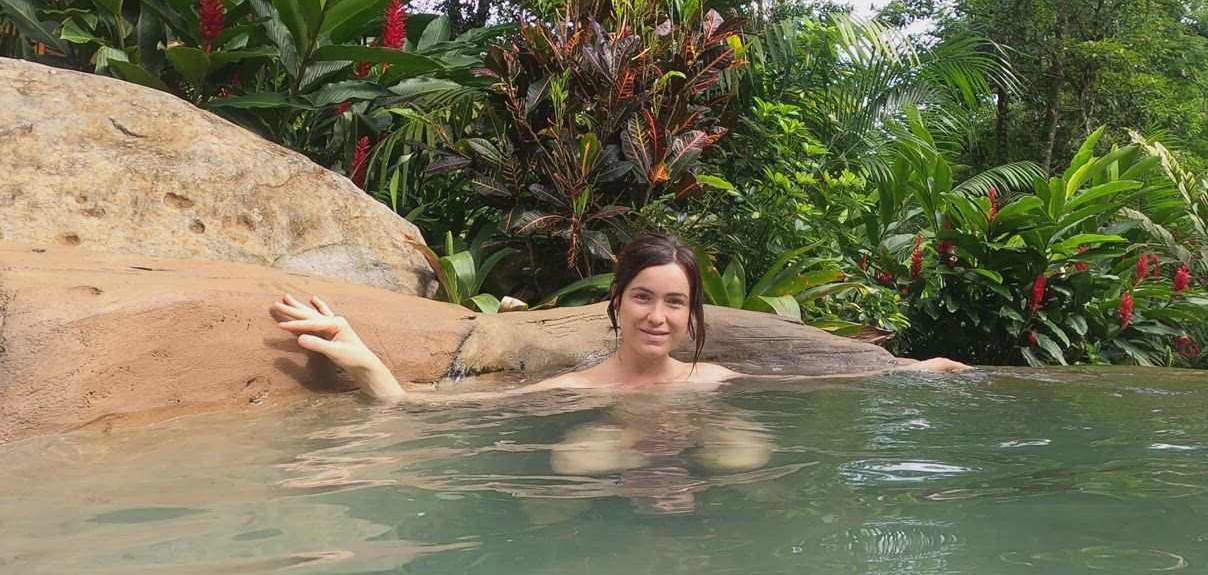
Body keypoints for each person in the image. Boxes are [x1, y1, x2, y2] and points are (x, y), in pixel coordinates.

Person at [270, 233, 970, 400]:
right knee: (585, 458)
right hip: (608, 479)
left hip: (688, 489)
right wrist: (363, 359)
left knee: (744, 452)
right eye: (643, 297)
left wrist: (913, 368)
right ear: (616, 303)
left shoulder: (713, 379)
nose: (658, 316)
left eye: (674, 303)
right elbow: (427, 413)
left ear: (693, 316)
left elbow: (810, 385)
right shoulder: (576, 390)